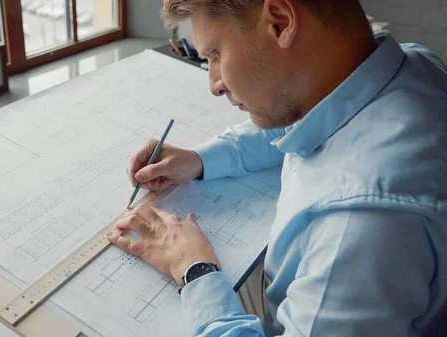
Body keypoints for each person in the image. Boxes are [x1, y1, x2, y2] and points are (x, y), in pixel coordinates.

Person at [105, 0, 447, 336]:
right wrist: (200, 159)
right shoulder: (411, 65)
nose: (214, 84)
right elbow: (305, 117)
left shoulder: (360, 226)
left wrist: (194, 270)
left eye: (215, 55)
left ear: (280, 22)